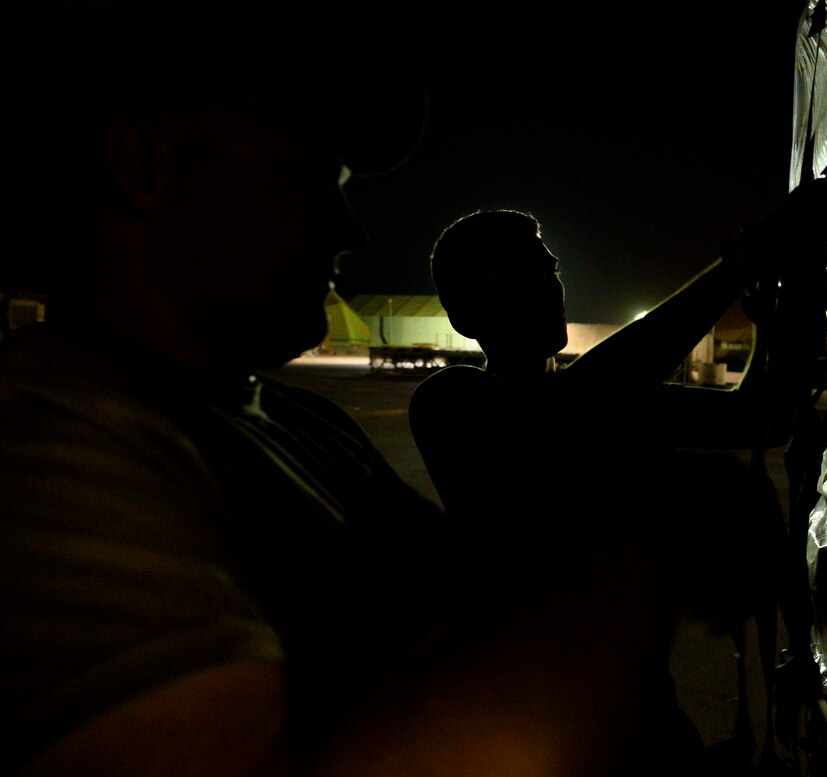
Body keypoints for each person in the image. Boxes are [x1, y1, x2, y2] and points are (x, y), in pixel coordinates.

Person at [0, 4, 720, 776]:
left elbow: (471, 604)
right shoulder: (41, 455)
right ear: (143, 166)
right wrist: (656, 532)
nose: (350, 229)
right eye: (306, 177)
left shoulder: (302, 423)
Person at [408, 196, 827, 772]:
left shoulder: (606, 398)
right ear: (468, 320)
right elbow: (576, 407)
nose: (548, 289)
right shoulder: (452, 403)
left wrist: (788, 320)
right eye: (520, 282)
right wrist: (737, 267)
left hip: (641, 716)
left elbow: (759, 418)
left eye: (549, 271)